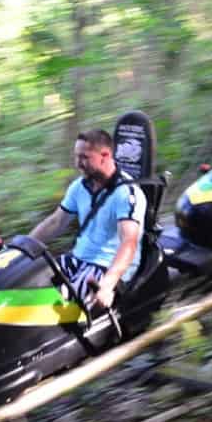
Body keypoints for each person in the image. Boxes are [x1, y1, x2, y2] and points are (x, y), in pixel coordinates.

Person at [30, 129, 146, 309]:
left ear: (105, 155)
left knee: (60, 304)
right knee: (31, 282)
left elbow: (129, 243)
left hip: (107, 266)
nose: (78, 163)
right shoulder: (79, 187)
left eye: (84, 157)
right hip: (79, 259)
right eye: (76, 157)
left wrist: (107, 286)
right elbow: (56, 222)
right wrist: (23, 248)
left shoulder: (127, 193)